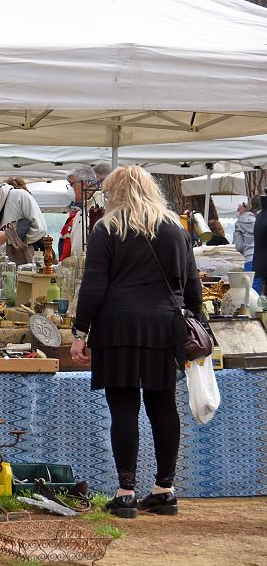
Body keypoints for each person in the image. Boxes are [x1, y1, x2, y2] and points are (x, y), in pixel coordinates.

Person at [70, 166, 202, 519]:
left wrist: (80, 333)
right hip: (165, 326)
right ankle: (165, 489)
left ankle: (126, 492)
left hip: (117, 326)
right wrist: (198, 326)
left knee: (124, 408)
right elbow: (192, 286)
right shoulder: (176, 228)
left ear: (116, 192)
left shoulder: (107, 228)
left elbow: (94, 285)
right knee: (163, 407)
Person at [59, 165, 105, 261]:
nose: (70, 189)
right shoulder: (81, 211)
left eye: (71, 185)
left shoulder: (102, 206)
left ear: (84, 184)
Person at [234, 202, 256, 272]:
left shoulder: (238, 224)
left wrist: (247, 251)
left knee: (250, 282)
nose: (237, 211)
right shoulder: (258, 220)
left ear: (245, 209)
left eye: (239, 209)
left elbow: (239, 246)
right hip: (262, 259)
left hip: (249, 258)